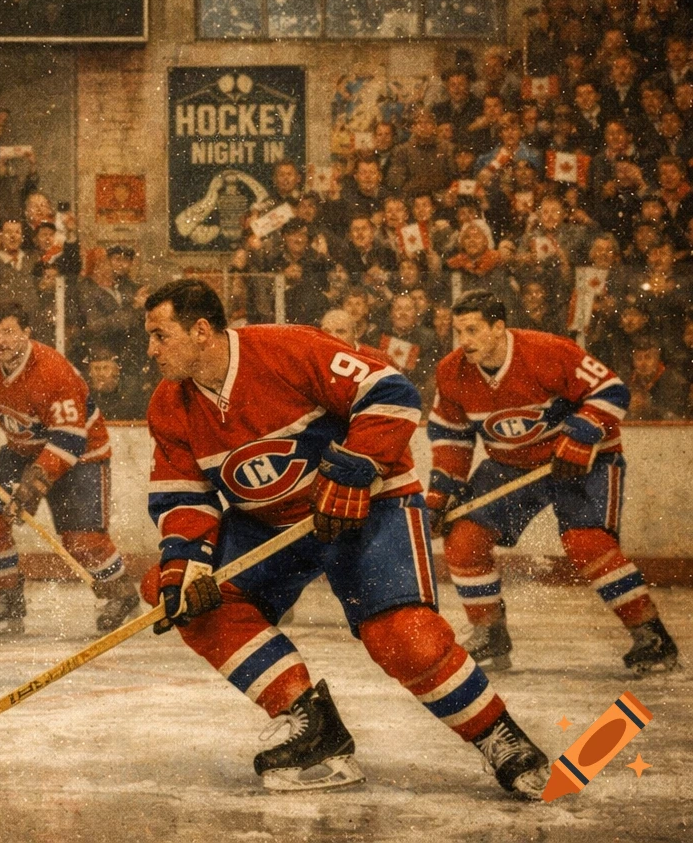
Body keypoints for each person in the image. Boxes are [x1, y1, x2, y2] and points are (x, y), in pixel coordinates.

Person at [141, 279, 550, 798]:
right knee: (178, 594)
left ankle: (499, 736)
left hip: (366, 505)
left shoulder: (289, 349)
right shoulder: (169, 404)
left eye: (160, 335)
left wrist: (356, 467)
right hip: (270, 524)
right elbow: (182, 494)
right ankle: (315, 728)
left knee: (402, 636)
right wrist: (186, 563)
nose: (151, 349)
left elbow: (392, 392)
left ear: (201, 331)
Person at [427, 290, 679, 675]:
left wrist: (581, 436)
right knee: (463, 538)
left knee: (586, 542)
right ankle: (490, 634)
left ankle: (651, 636)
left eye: (473, 330)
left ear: (498, 327)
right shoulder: (452, 371)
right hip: (510, 463)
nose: (464, 340)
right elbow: (452, 437)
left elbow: (612, 390)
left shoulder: (547, 351)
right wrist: (441, 494)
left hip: (582, 459)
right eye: (458, 331)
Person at [0, 301, 140, 635]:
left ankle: (122, 595)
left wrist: (33, 484)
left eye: (9, 332)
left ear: (26, 332)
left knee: (82, 540)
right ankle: (7, 599)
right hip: (22, 449)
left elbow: (70, 439)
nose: (1, 341)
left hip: (81, 454)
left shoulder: (52, 371)